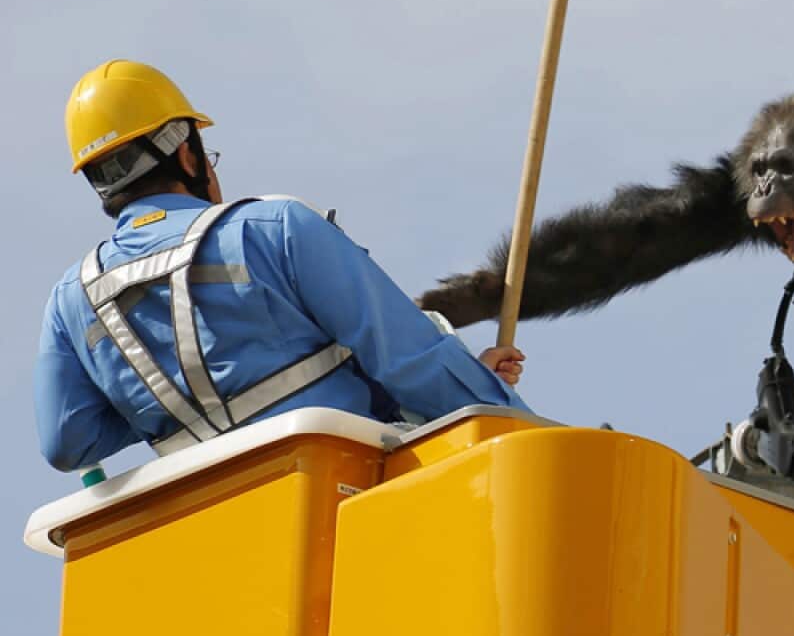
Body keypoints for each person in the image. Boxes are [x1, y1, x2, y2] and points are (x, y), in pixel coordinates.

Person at [35, 59, 529, 473]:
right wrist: (503, 415)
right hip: (339, 493)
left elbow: (67, 442)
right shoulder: (273, 229)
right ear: (187, 153)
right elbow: (410, 360)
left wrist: (163, 403)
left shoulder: (71, 301)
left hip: (209, 529)